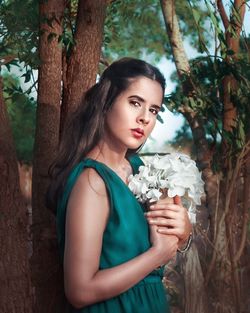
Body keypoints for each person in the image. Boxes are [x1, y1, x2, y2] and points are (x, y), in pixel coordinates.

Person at [47, 58, 192, 313]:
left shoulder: (140, 169)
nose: (144, 118)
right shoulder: (91, 181)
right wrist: (156, 256)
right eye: (135, 103)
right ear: (107, 101)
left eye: (154, 110)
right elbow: (79, 291)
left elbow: (166, 243)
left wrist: (183, 231)